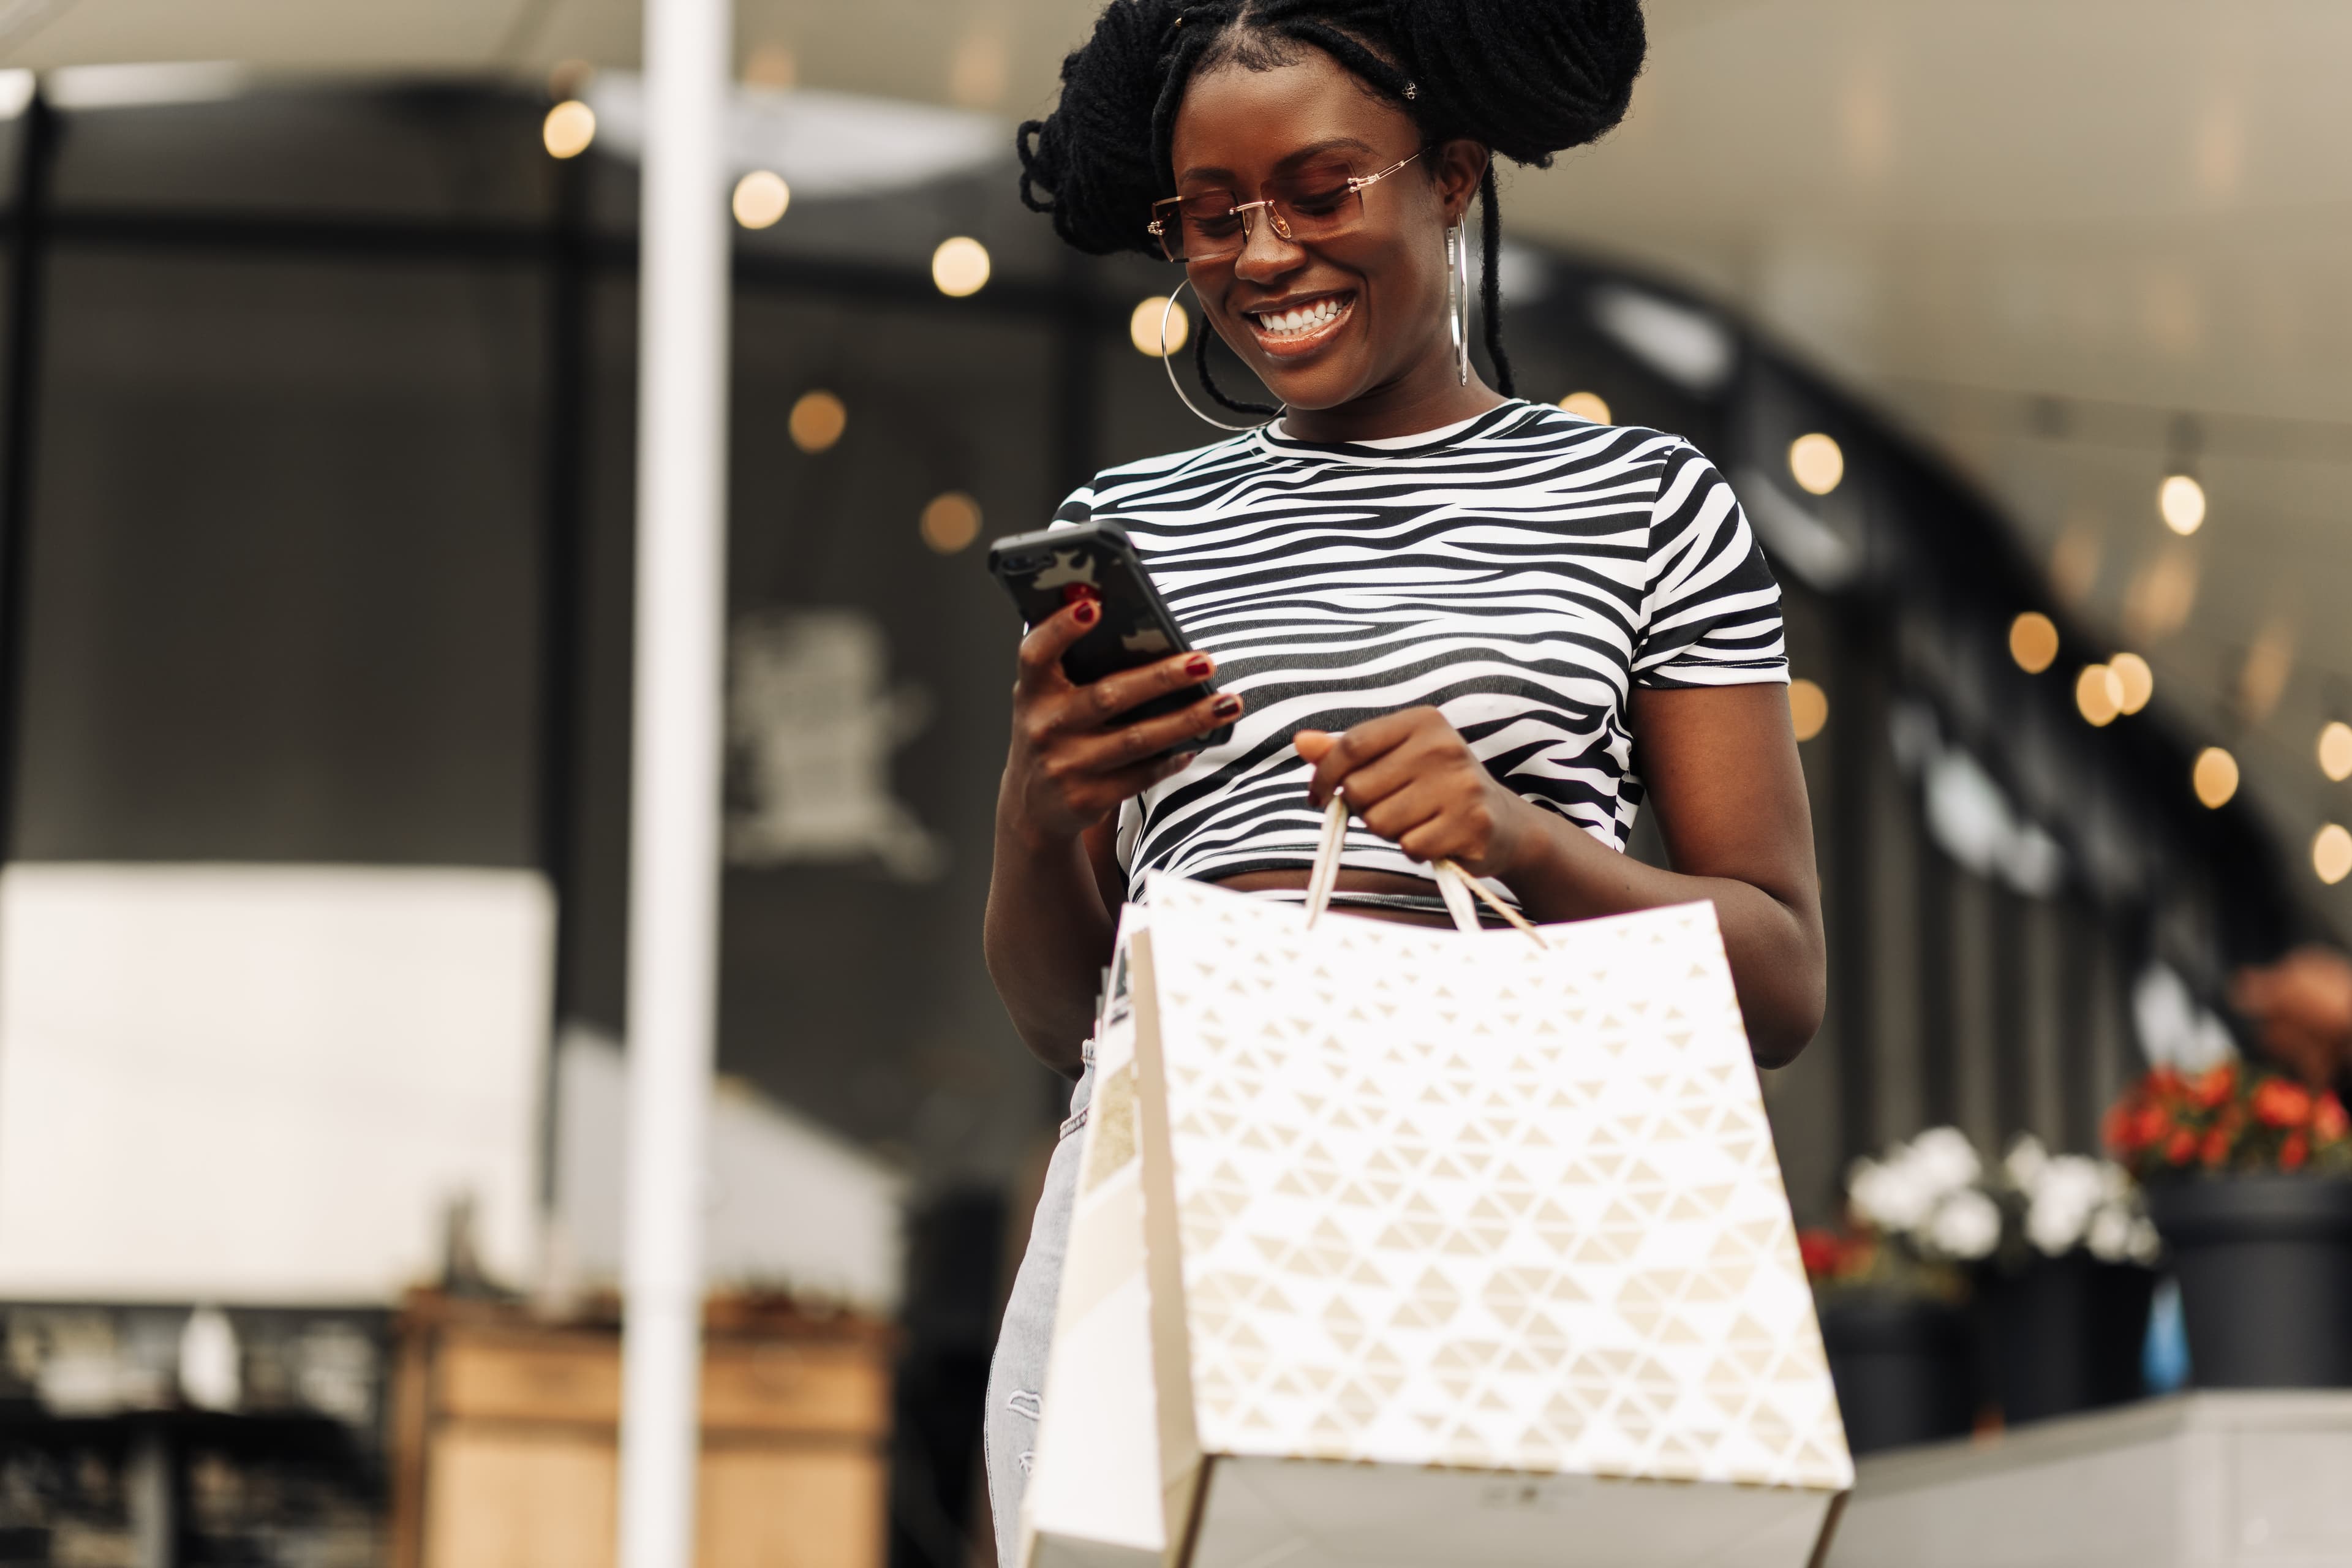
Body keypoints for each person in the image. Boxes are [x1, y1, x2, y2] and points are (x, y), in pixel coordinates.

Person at [979, 0, 1823, 1553]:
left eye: (1319, 189)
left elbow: (1777, 978)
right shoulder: (1133, 522)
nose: (1263, 255)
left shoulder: (1644, 501)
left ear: (1450, 173)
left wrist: (1523, 842)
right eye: (1211, 215)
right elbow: (1059, 1018)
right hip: (1180, 1214)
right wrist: (1046, 805)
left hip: (1515, 1217)